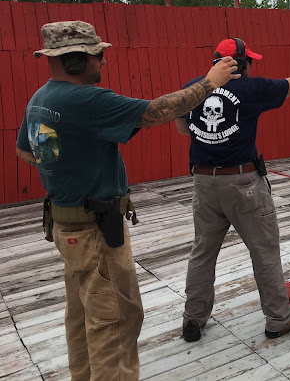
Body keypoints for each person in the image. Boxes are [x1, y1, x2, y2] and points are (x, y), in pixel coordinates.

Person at [15, 21, 240, 381]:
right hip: (96, 234)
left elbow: (27, 153)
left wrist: (70, 166)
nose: (102, 62)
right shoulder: (86, 100)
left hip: (66, 228)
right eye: (97, 55)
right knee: (115, 322)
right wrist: (210, 82)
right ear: (75, 60)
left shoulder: (40, 99)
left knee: (82, 318)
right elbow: (158, 111)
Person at [175, 37, 290, 342]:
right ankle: (279, 318)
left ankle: (193, 318)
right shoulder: (250, 88)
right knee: (264, 251)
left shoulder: (192, 88)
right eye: (249, 61)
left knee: (202, 253)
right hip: (243, 183)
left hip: (203, 182)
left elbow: (182, 127)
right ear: (241, 63)